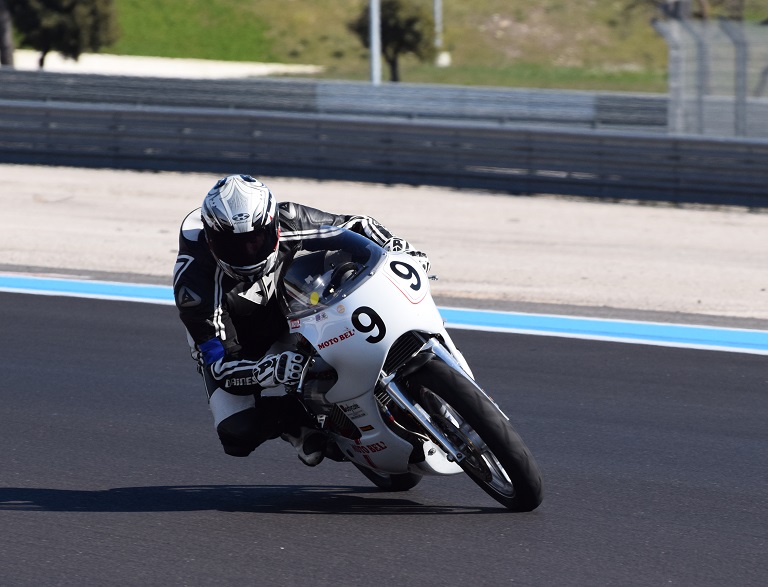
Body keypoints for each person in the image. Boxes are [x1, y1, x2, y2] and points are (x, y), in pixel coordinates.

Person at [172, 174, 430, 467]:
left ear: (272, 227)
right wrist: (262, 370)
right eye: (233, 246)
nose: (247, 253)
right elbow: (219, 364)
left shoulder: (290, 218)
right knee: (237, 430)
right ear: (210, 240)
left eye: (256, 241)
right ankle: (296, 423)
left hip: (299, 301)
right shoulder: (193, 285)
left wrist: (397, 247)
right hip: (242, 339)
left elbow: (355, 226)